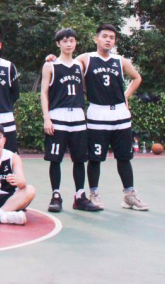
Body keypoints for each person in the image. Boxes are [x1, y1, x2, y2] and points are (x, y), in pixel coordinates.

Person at [49, 24, 147, 210]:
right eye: (104, 36)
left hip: (120, 114)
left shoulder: (120, 60)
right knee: (95, 158)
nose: (108, 40)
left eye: (112, 37)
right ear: (96, 39)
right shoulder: (86, 59)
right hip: (97, 114)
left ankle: (129, 195)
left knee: (124, 157)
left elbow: (137, 78)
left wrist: (125, 96)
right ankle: (93, 193)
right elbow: (67, 64)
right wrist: (52, 58)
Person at [40, 28, 101, 212]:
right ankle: (56, 195)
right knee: (55, 159)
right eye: (65, 41)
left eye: (72, 41)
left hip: (78, 117)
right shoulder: (50, 65)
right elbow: (44, 93)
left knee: (79, 159)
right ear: (58, 43)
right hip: (58, 116)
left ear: (76, 43)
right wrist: (47, 118)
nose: (68, 44)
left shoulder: (79, 65)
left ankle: (80, 196)